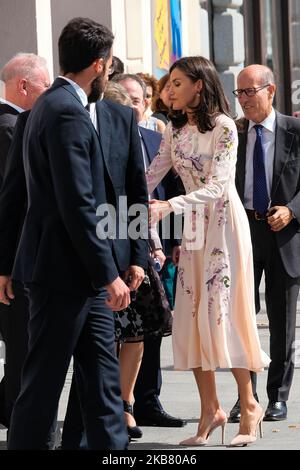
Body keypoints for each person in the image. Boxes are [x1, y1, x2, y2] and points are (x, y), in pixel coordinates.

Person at [6, 17, 148, 450]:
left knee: (104, 388)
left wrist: (124, 261)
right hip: (64, 277)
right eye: (107, 67)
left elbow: (127, 196)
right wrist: (108, 274)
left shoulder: (50, 106)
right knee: (43, 387)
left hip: (81, 278)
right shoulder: (65, 111)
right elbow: (77, 204)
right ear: (99, 65)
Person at [146, 56, 270, 447]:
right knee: (193, 313)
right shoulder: (174, 131)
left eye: (178, 83)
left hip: (223, 225)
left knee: (223, 312)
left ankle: (249, 404)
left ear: (199, 85)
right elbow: (151, 174)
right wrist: (119, 195)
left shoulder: (224, 128)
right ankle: (210, 409)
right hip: (196, 226)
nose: (170, 91)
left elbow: (219, 186)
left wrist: (168, 207)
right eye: (169, 84)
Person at [114, 73, 186, 428]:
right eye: (125, 98)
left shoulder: (156, 138)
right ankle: (119, 404)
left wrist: (171, 245)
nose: (132, 105)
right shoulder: (105, 137)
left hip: (154, 247)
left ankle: (148, 402)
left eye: (138, 99)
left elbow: (169, 189)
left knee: (150, 329)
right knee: (121, 330)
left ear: (146, 103)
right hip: (119, 242)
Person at [229, 64, 300, 423]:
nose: (243, 100)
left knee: (281, 320)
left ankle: (277, 396)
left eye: (249, 92)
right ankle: (246, 396)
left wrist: (292, 210)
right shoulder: (234, 133)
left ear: (270, 91)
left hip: (284, 235)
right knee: (242, 318)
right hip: (244, 231)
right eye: (238, 93)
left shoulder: (295, 130)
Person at [0, 53, 50, 429]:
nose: (49, 94)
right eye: (45, 87)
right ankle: (21, 422)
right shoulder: (11, 128)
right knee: (23, 345)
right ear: (23, 86)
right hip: (14, 258)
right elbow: (15, 202)